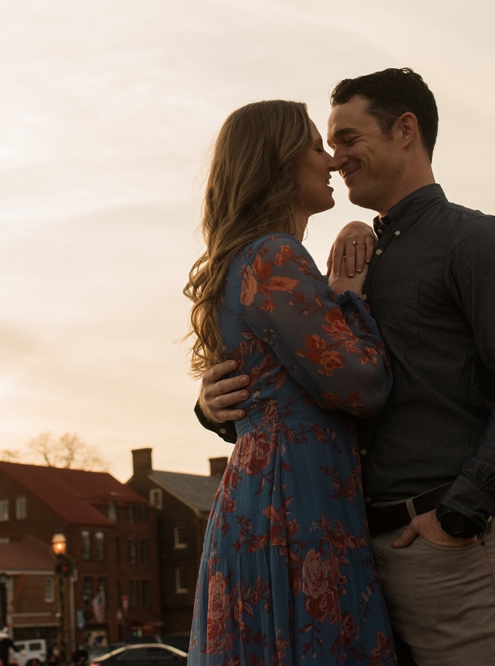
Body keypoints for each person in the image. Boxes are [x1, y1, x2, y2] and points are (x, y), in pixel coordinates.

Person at [198, 68, 495, 666]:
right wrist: (211, 407)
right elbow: (298, 380)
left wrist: (459, 515)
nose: (336, 157)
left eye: (346, 138)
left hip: (452, 550)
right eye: (325, 144)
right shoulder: (352, 259)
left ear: (405, 131)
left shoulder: (473, 242)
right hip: (355, 548)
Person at [183, 99, 398, 665]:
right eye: (313, 145)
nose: (329, 161)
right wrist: (349, 293)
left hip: (270, 494)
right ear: (278, 162)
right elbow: (362, 383)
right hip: (295, 503)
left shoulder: (248, 261)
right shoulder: (273, 256)